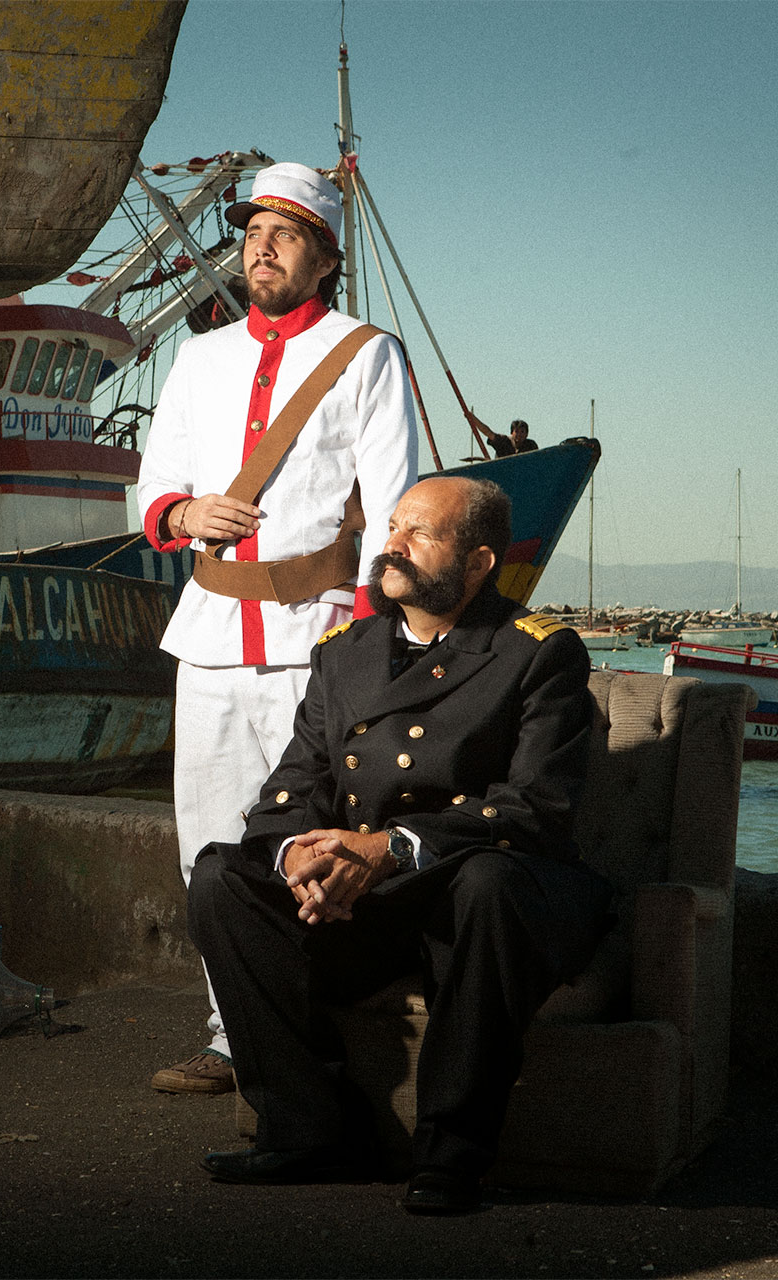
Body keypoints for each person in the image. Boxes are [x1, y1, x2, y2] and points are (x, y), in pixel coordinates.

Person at [185, 476, 614, 1214]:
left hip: (491, 898)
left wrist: (389, 847)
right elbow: (290, 792)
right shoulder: (344, 654)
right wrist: (303, 861)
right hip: (372, 905)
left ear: (477, 564)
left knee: (488, 883)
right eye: (391, 527)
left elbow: (536, 809)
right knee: (222, 878)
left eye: (419, 533)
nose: (390, 545)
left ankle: (453, 1153)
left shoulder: (536, 653)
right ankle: (308, 1130)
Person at [136, 161, 418, 1095]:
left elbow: (393, 508)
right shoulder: (198, 358)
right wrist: (182, 517)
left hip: (320, 639)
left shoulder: (366, 353)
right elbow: (155, 481)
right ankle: (231, 1035)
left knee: (315, 837)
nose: (262, 245)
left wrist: (378, 643)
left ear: (325, 257)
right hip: (211, 632)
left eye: (287, 232)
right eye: (255, 228)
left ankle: (313, 1029)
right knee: (207, 839)